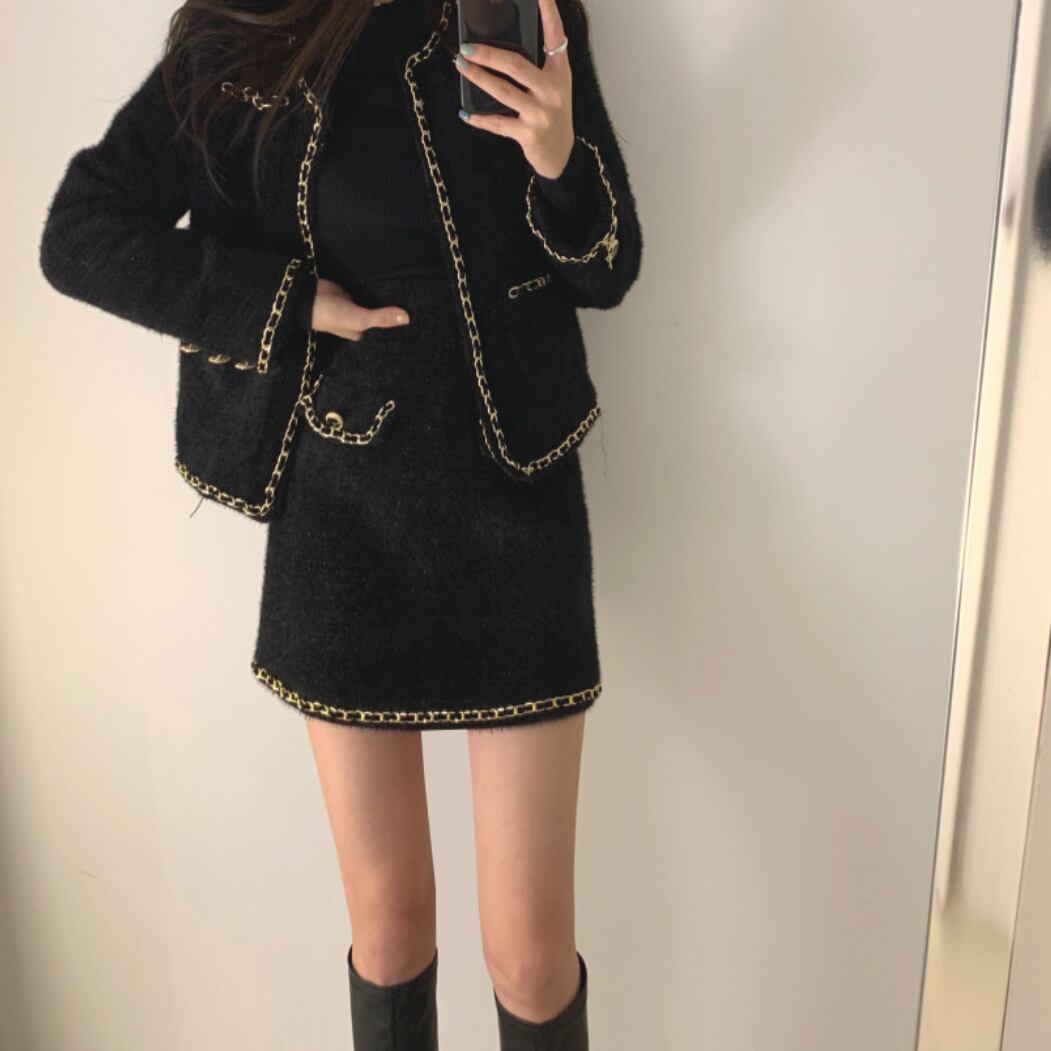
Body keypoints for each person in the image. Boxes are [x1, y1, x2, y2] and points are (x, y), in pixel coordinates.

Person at [38, 0, 642, 1046]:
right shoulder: (239, 31)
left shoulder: (522, 7)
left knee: (528, 951)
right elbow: (82, 234)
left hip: (516, 499)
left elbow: (606, 270)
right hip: (343, 511)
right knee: (389, 928)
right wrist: (285, 301)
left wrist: (558, 161)